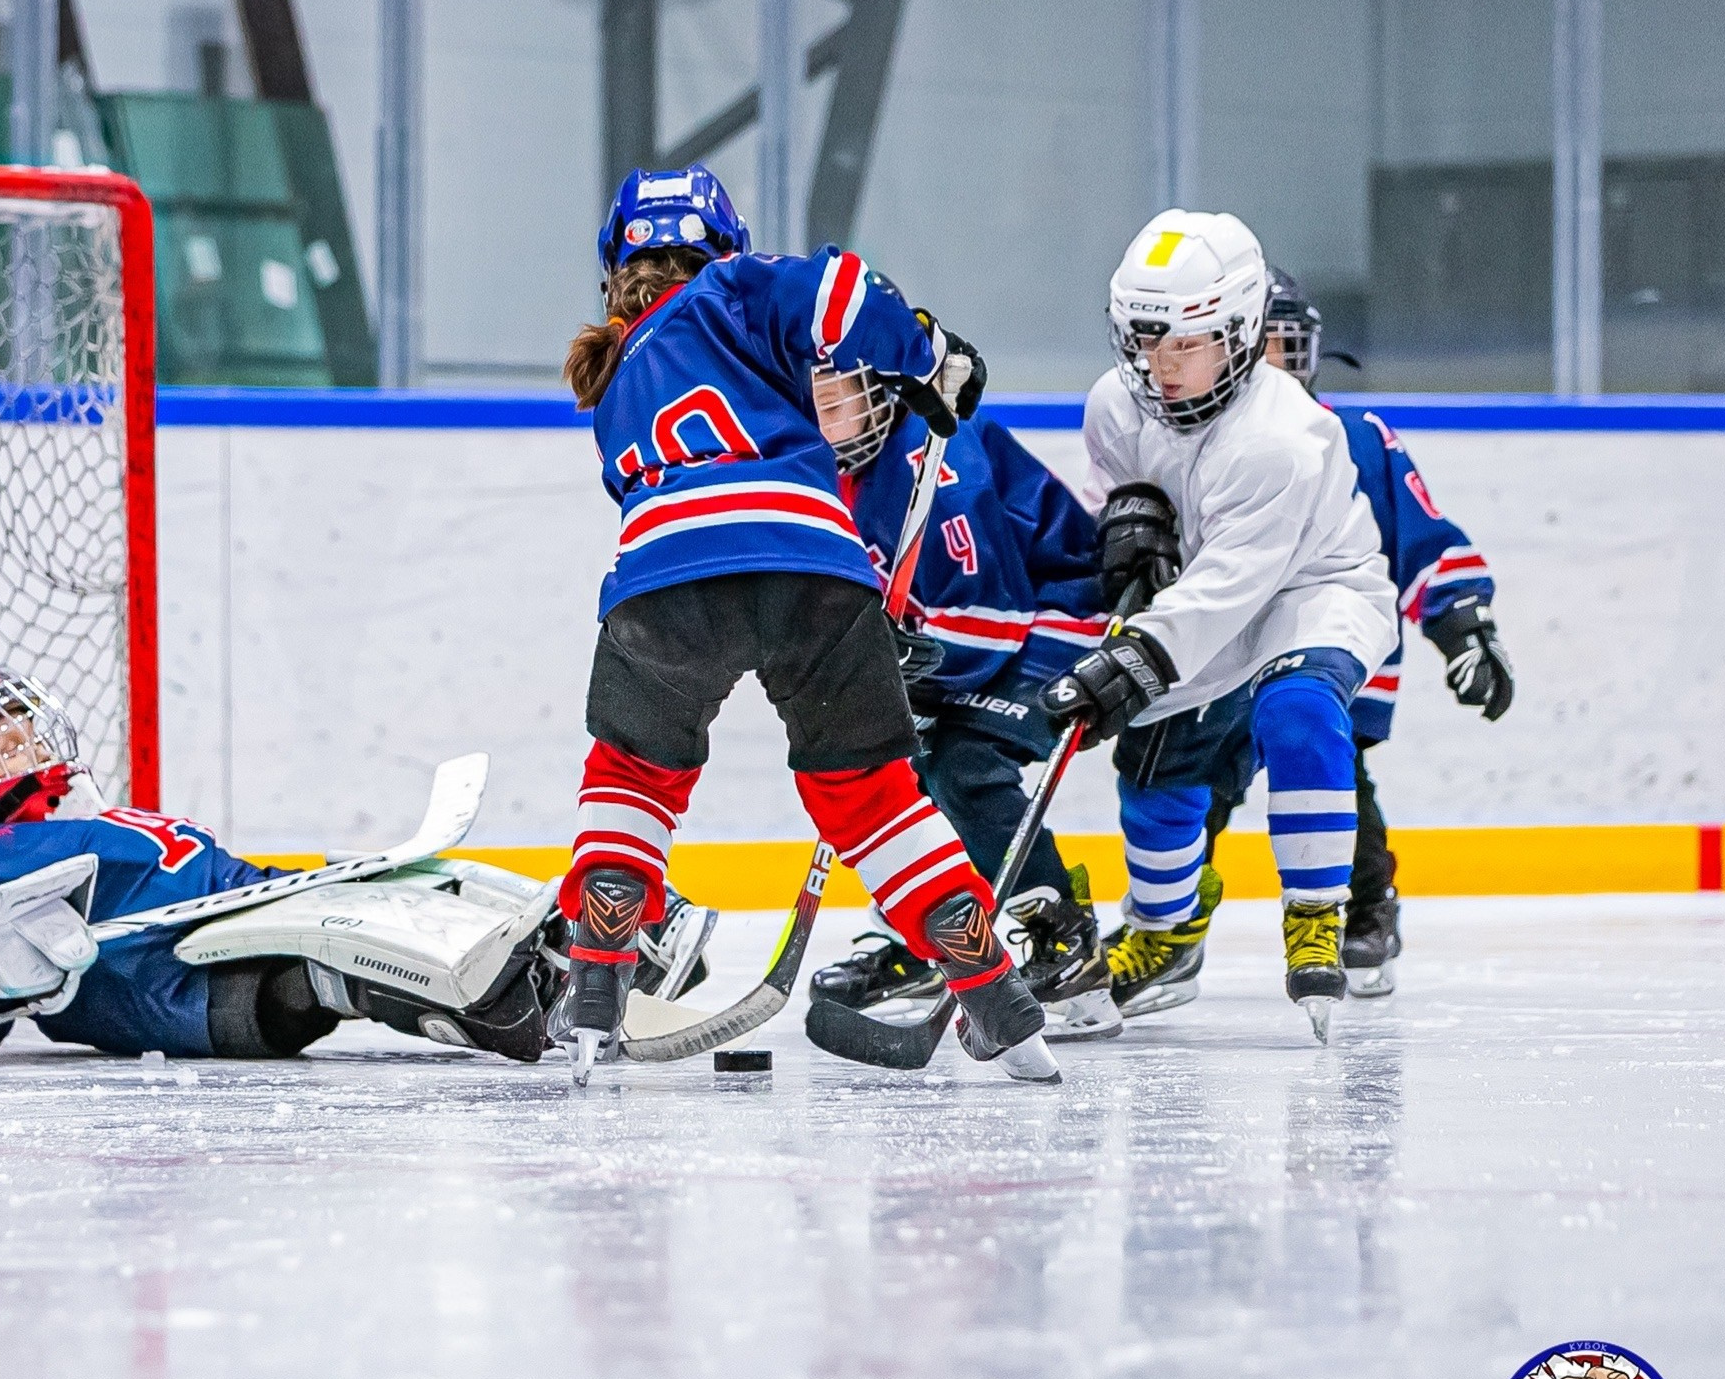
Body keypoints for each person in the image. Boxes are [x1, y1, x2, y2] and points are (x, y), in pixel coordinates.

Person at [553, 163, 1048, 1080]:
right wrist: (932, 352)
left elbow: (665, 501)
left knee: (634, 775)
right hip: (813, 567)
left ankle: (594, 990)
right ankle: (998, 1001)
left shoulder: (612, 380)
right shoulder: (735, 289)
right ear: (722, 247)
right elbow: (843, 290)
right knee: (874, 793)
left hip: (663, 575)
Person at [0, 670, 716, 1065]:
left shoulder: (75, 814)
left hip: (233, 903)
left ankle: (602, 936)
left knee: (412, 885)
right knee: (343, 950)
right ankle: (534, 1012)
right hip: (168, 977)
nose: (22, 742)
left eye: (20, 724)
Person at [1040, 210, 1399, 1040]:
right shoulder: (1114, 405)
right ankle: (1166, 933)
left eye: (1185, 345)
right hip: (1195, 604)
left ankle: (1315, 909)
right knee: (1153, 767)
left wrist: (1131, 660)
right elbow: (1124, 500)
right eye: (1144, 341)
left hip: (1310, 594)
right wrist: (1126, 521)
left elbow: (1236, 587)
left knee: (1297, 709)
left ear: (1241, 332)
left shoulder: (1285, 438)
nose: (1159, 366)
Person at [1194, 265, 1513, 995]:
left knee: (1341, 784)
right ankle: (1170, 924)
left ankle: (1368, 910)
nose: (1279, 362)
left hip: (1328, 647)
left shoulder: (1358, 437)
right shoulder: (1196, 442)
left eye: (1290, 344)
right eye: (1263, 345)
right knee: (1196, 786)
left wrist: (1465, 625)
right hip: (1220, 657)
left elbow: (1423, 535)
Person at [806, 401, 1120, 1037]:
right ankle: (919, 933)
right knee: (886, 773)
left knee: (963, 765)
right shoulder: (817, 465)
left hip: (1051, 625)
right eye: (814, 385)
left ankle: (1063, 934)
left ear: (886, 389)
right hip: (958, 644)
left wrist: (902, 668)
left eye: (843, 386)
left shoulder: (934, 459)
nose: (826, 405)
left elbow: (991, 613)